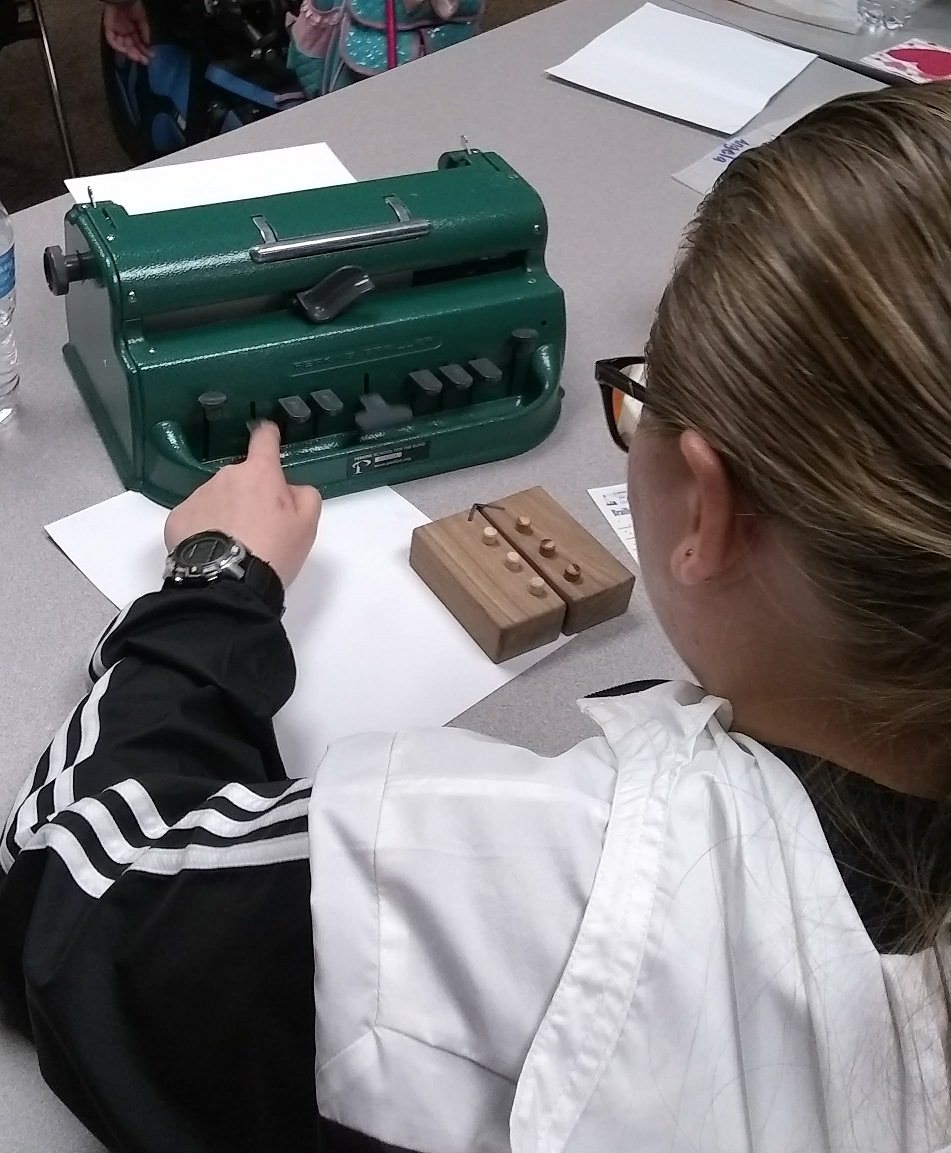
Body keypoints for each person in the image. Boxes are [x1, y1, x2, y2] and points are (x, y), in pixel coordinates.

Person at [2, 81, 951, 1153]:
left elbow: (69, 893)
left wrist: (216, 579)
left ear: (708, 510)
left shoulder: (542, 887)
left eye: (639, 396)